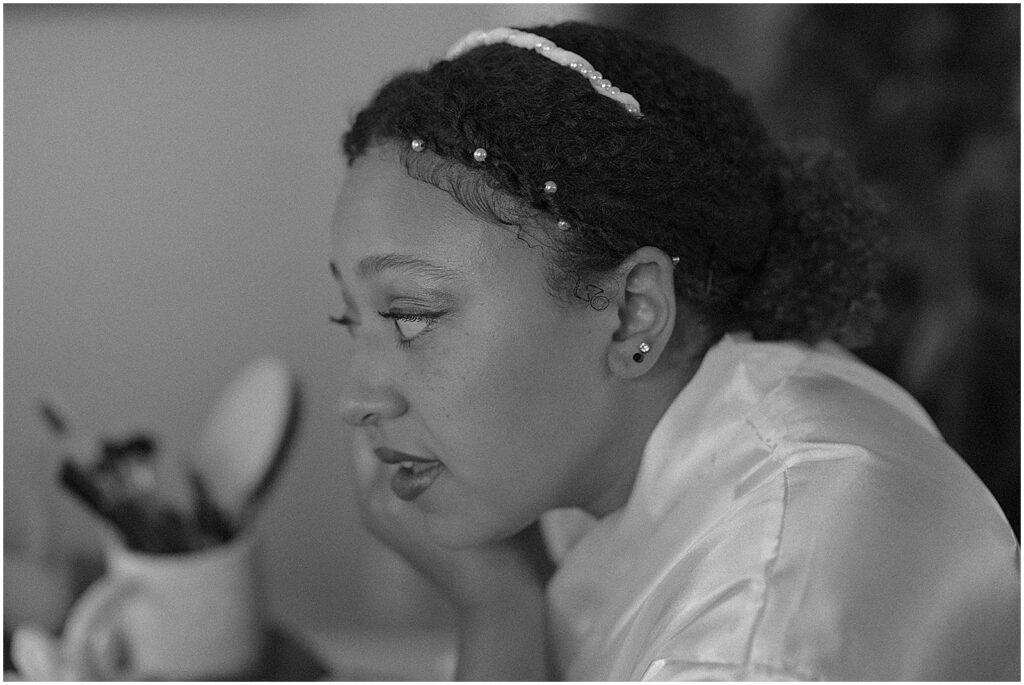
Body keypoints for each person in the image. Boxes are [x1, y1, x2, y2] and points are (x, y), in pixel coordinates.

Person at [327, 22, 1019, 681]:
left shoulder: (765, 622)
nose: (357, 400)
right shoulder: (626, 453)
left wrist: (498, 611)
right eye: (347, 318)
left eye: (411, 315)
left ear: (633, 313)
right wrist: (504, 591)